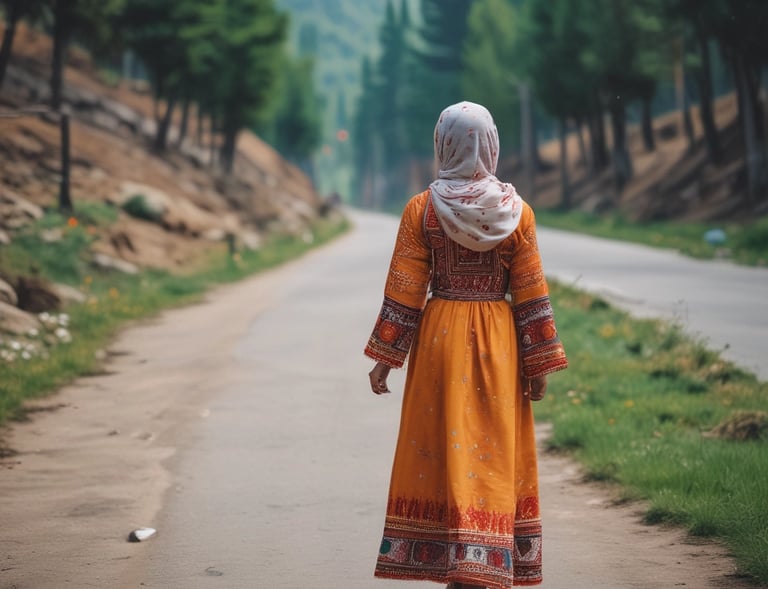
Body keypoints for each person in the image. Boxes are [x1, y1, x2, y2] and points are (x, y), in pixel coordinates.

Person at [364, 102, 568, 589]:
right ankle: (487, 560)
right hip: (499, 342)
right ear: (490, 145)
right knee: (491, 450)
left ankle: (455, 559)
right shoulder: (517, 213)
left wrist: (385, 360)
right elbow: (531, 293)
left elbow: (405, 290)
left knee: (444, 447)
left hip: (440, 340)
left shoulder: (422, 210)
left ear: (444, 144)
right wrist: (538, 363)